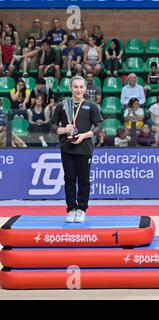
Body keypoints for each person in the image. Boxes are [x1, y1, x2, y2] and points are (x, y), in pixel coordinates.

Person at [51, 76, 103, 223]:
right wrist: (63, 129)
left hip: (84, 148)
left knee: (84, 181)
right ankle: (71, 209)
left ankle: (81, 209)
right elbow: (53, 125)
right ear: (71, 88)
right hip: (67, 148)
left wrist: (84, 136)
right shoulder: (62, 105)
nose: (78, 90)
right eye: (75, 87)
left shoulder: (91, 106)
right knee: (69, 179)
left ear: (85, 88)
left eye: (81, 87)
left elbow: (99, 127)